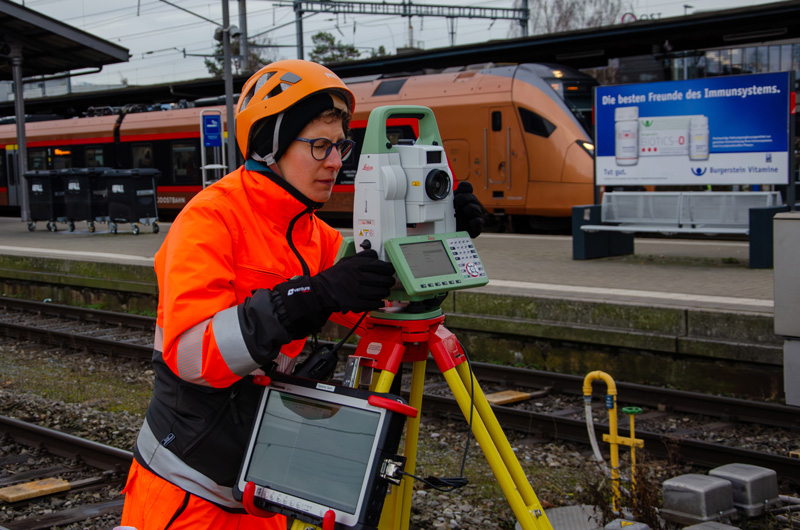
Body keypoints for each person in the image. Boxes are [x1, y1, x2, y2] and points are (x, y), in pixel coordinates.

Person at [120, 59, 483, 530]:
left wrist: (433, 225)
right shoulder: (210, 219)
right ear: (271, 145)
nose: (336, 162)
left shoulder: (313, 232)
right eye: (319, 146)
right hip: (190, 492)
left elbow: (380, 294)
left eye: (340, 146)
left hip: (265, 488)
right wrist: (301, 299)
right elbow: (192, 357)